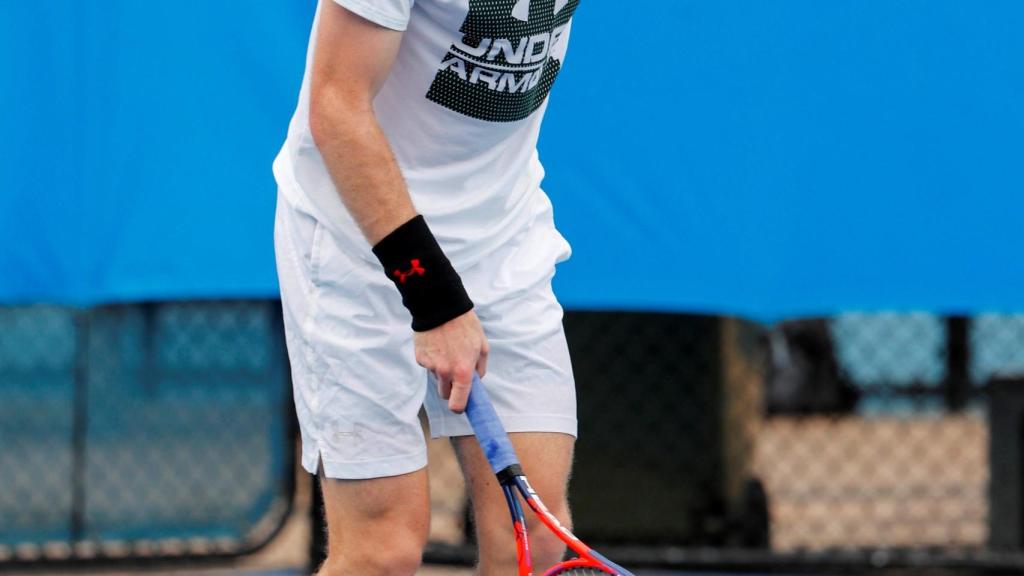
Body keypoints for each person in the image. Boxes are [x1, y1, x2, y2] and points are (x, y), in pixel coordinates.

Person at [272, 1, 581, 574]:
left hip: (502, 234)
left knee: (534, 541)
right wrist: (434, 301)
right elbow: (336, 106)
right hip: (355, 238)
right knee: (382, 551)